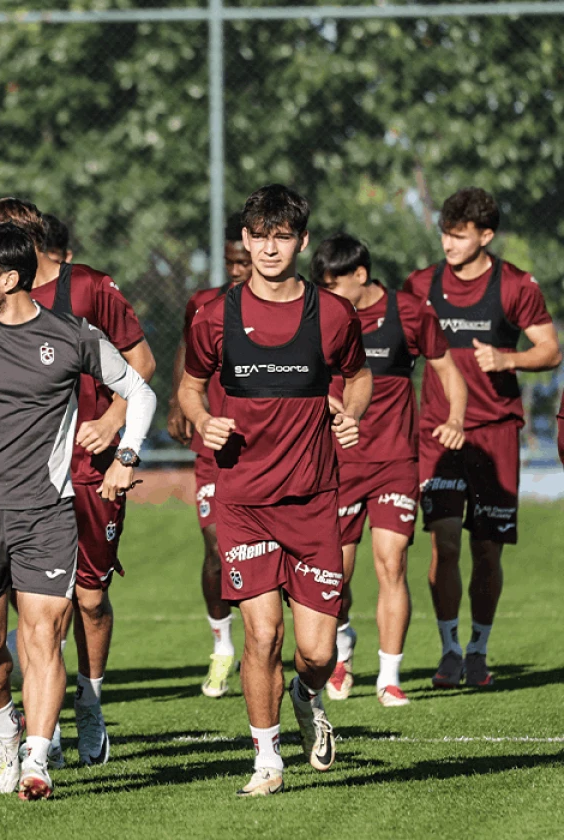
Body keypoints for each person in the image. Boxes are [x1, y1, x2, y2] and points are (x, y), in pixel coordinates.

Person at [0, 222, 156, 800]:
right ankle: (5, 726)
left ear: (10, 277)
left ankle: (37, 758)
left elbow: (142, 391)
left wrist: (126, 454)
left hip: (47, 511)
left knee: (45, 634)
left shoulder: (73, 335)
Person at [178, 185, 371, 797]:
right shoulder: (215, 315)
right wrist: (203, 418)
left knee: (316, 653)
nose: (267, 247)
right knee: (263, 634)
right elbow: (188, 385)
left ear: (301, 242)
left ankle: (306, 695)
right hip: (243, 502)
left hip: (314, 501)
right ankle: (266, 759)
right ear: (244, 240)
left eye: (281, 236)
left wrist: (351, 412)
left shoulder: (333, 315)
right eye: (257, 235)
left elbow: (359, 376)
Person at [402, 188, 560, 688]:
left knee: (487, 551)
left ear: (485, 236)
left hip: (494, 433)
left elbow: (550, 350)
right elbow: (398, 347)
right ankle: (449, 650)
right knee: (444, 544)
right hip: (439, 434)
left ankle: (478, 650)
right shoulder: (421, 284)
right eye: (445, 233)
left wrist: (508, 359)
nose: (448, 243)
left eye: (459, 235)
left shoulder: (514, 285)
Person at [312, 233, 466, 706]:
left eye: (334, 284)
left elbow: (447, 371)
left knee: (392, 562)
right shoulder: (322, 317)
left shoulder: (411, 312)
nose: (327, 294)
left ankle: (389, 676)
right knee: (334, 574)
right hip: (340, 463)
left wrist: (456, 417)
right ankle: (342, 650)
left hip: (396, 461)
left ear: (360, 275)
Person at [166, 214, 252, 699]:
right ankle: (222, 648)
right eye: (231, 261)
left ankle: (265, 645)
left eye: (244, 260)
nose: (238, 269)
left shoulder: (281, 305)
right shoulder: (204, 303)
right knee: (217, 549)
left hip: (265, 449)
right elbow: (186, 346)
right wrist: (181, 401)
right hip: (212, 447)